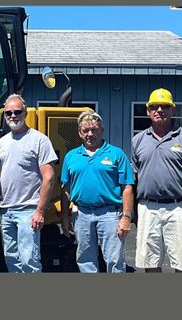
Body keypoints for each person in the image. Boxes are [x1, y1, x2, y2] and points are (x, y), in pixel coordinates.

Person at [130, 88, 182, 273]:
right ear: (148, 111)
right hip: (147, 207)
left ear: (173, 110)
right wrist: (130, 212)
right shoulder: (138, 140)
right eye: (154, 106)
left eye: (165, 106)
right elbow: (132, 179)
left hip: (180, 208)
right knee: (150, 262)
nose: (160, 110)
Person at [0, 95, 58, 273]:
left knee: (29, 261)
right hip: (6, 211)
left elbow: (48, 177)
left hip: (29, 211)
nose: (12, 115)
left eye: (17, 112)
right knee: (11, 259)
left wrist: (40, 211)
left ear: (24, 113)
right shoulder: (2, 142)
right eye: (8, 112)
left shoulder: (39, 140)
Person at [59, 110, 134, 273]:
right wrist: (65, 217)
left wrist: (126, 217)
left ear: (102, 130)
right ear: (79, 133)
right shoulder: (71, 156)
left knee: (114, 261)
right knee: (85, 259)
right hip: (81, 215)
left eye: (94, 129)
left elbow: (127, 187)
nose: (90, 134)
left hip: (110, 214)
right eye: (85, 130)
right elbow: (65, 189)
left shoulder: (116, 154)